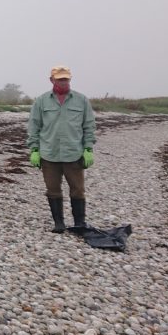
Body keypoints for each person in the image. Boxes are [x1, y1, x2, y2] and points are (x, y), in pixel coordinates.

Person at [26, 66, 96, 233]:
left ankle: (79, 222)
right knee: (52, 189)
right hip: (49, 154)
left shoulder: (82, 100)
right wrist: (34, 150)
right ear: (52, 80)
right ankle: (59, 223)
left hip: (74, 154)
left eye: (66, 79)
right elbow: (34, 126)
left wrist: (88, 148)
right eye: (60, 79)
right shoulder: (41, 101)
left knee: (78, 190)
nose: (63, 82)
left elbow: (89, 125)